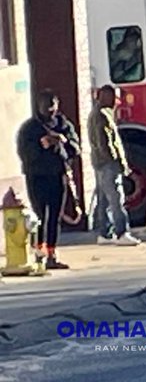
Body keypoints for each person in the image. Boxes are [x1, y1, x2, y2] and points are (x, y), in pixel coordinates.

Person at [16, 91, 82, 270]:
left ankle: (51, 255)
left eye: (53, 104)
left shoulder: (64, 125)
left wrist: (62, 141)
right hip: (37, 177)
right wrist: (41, 144)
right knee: (40, 217)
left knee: (55, 217)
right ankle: (38, 255)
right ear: (39, 106)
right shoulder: (30, 128)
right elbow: (24, 154)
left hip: (58, 176)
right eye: (46, 105)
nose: (50, 109)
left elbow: (76, 150)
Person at [87, 85, 140, 246]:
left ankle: (104, 233)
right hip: (108, 164)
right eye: (114, 98)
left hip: (100, 164)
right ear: (105, 97)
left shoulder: (96, 114)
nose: (116, 102)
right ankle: (122, 232)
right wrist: (118, 162)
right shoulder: (103, 116)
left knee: (104, 200)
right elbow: (107, 143)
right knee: (117, 199)